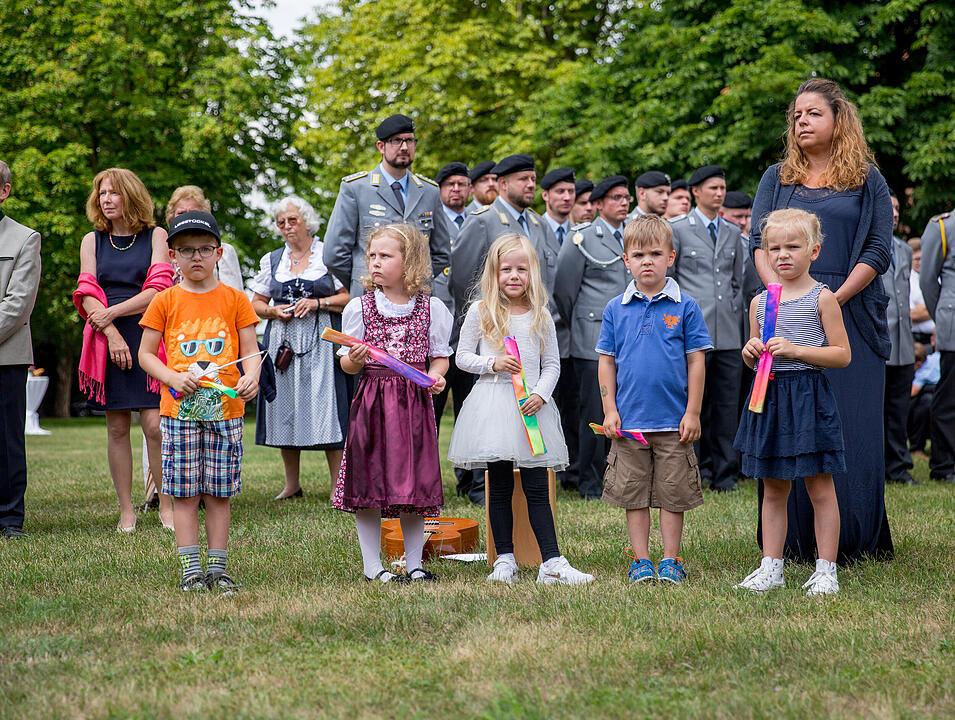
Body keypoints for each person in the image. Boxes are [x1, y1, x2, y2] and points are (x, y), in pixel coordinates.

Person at [750, 78, 894, 561]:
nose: (802, 122)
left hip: (848, 311)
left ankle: (850, 542)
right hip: (785, 311)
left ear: (839, 118)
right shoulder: (777, 177)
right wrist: (780, 300)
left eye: (813, 113)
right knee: (790, 423)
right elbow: (759, 243)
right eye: (796, 116)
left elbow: (877, 249)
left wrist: (829, 298)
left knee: (849, 428)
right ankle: (786, 546)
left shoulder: (866, 179)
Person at [449, 234, 592, 585]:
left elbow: (552, 366)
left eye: (521, 269)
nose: (513, 276)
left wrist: (542, 395)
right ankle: (505, 560)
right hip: (494, 405)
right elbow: (462, 357)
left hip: (531, 408)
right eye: (506, 269)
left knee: (536, 486)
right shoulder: (480, 312)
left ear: (532, 274)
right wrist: (492, 362)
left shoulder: (540, 315)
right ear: (494, 274)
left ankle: (552, 562)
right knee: (498, 486)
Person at [139, 211, 261, 592]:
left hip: (226, 413)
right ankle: (191, 570)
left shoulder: (235, 300)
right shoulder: (164, 301)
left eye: (204, 249)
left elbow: (251, 350)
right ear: (172, 256)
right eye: (186, 250)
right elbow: (146, 354)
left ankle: (218, 570)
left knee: (219, 493)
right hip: (179, 414)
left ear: (219, 253)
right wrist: (172, 377)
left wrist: (251, 376)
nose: (196, 257)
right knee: (186, 493)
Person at [734, 208, 851, 595]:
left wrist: (799, 350)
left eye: (793, 247)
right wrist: (750, 351)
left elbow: (841, 354)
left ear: (814, 251)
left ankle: (825, 569)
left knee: (820, 487)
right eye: (774, 248)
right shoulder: (760, 303)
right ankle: (772, 566)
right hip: (768, 398)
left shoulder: (824, 297)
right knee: (773, 488)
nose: (782, 255)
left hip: (807, 397)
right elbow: (754, 358)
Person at [332, 223, 453, 583]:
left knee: (413, 485)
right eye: (372, 255)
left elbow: (440, 356)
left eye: (385, 256)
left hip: (413, 404)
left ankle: (414, 565)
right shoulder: (360, 307)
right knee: (369, 483)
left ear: (410, 261)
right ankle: (373, 567)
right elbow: (346, 364)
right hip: (372, 402)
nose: (375, 262)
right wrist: (354, 357)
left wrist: (436, 374)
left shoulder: (431, 308)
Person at [597, 215, 711, 584]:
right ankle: (641, 561)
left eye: (656, 254)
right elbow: (606, 362)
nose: (647, 261)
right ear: (626, 260)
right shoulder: (616, 308)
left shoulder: (685, 306)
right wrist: (610, 409)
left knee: (674, 494)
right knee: (634, 494)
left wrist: (692, 411)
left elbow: (696, 360)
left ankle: (671, 560)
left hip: (673, 423)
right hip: (630, 424)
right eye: (639, 254)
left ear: (671, 257)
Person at [450, 154, 558, 503]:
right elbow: (465, 273)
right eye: (523, 179)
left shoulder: (538, 225)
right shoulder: (482, 220)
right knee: (492, 436)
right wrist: (493, 313)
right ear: (502, 183)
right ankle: (477, 486)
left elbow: (549, 277)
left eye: (533, 178)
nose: (530, 184)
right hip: (493, 332)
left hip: (531, 325)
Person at [73, 168, 174, 532]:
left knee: (155, 424)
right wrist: (112, 332)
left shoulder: (156, 235)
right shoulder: (92, 240)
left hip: (148, 331)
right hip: (106, 337)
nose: (106, 199)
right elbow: (86, 291)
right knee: (116, 428)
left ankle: (166, 506)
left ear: (130, 196)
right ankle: (127, 510)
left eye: (113, 193)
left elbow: (160, 287)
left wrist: (114, 313)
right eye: (102, 193)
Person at [251, 196, 350, 500]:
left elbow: (348, 297)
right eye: (281, 222)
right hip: (282, 343)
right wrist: (273, 312)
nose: (286, 227)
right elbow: (256, 303)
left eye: (292, 220)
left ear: (307, 222)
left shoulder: (327, 255)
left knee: (327, 409)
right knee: (284, 407)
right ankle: (291, 485)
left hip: (322, 340)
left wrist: (318, 302)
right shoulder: (273, 259)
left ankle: (338, 485)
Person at [553, 175, 632, 499]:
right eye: (616, 197)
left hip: (629, 337)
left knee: (625, 409)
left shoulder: (635, 233)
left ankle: (623, 477)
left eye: (626, 197)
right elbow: (563, 291)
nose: (624, 202)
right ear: (598, 204)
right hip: (592, 337)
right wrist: (583, 323)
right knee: (594, 414)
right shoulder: (582, 238)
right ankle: (589, 481)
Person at [670, 165, 744, 492]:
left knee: (727, 405)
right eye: (712, 188)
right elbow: (672, 278)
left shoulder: (731, 231)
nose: (719, 193)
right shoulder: (678, 229)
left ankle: (726, 474)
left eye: (722, 187)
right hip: (692, 330)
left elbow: (738, 281)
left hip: (727, 330)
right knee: (693, 404)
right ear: (696, 192)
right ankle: (694, 471)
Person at [323, 113, 451, 298]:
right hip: (371, 298)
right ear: (381, 146)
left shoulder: (430, 191)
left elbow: (441, 253)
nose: (404, 147)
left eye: (409, 141)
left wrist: (418, 278)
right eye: (396, 141)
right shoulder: (356, 188)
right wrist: (363, 281)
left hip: (417, 299)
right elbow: (333, 255)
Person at [0, 160, 41, 539]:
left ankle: (10, 517)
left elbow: (18, 304)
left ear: (4, 191)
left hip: (6, 356)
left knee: (7, 439)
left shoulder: (24, 238)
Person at [431, 162, 475, 500]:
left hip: (469, 331)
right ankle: (428, 480)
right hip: (435, 333)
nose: (456, 190)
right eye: (450, 185)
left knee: (469, 411)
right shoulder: (428, 220)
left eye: (462, 184)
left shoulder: (480, 221)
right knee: (429, 414)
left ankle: (469, 481)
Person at [540, 167, 579, 491]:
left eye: (571, 192)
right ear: (546, 196)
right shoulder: (535, 229)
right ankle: (552, 468)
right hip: (544, 330)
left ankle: (574, 468)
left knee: (574, 403)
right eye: (560, 192)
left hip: (577, 334)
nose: (566, 197)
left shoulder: (582, 232)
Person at [882, 190, 917, 485]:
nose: (893, 213)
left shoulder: (904, 249)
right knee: (877, 408)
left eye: (896, 208)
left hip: (903, 341)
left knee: (898, 408)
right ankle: (879, 465)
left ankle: (898, 466)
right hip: (879, 341)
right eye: (888, 207)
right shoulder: (866, 245)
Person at [919, 208, 955, 483]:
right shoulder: (943, 226)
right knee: (949, 397)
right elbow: (928, 282)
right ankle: (944, 465)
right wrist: (942, 317)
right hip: (953, 322)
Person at [165, 186, 243, 291]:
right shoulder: (161, 253)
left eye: (194, 212)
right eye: (181, 213)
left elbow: (234, 294)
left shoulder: (225, 252)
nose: (188, 217)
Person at [908, 340, 939, 459]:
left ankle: (917, 447)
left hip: (931, 397)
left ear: (919, 363)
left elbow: (912, 392)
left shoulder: (923, 372)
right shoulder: (935, 358)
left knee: (920, 406)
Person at [908, 236, 935, 345]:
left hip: (936, 338)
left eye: (923, 258)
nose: (920, 262)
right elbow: (911, 315)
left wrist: (923, 309)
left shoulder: (936, 277)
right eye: (917, 259)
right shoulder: (907, 280)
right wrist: (936, 307)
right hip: (917, 340)